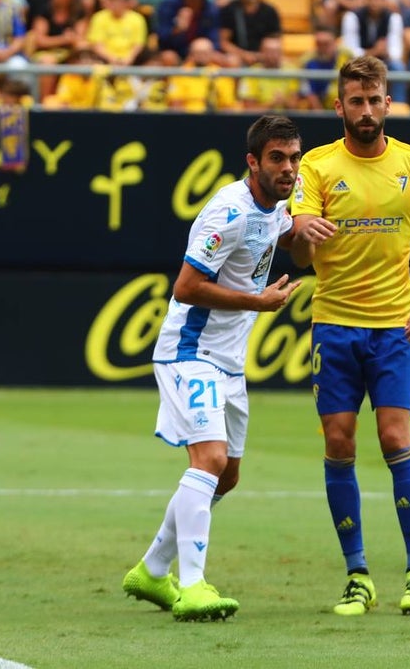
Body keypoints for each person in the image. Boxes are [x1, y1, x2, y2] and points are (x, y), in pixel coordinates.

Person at [121, 115, 306, 622]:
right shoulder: (226, 212)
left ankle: (153, 570)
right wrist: (256, 301)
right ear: (252, 162)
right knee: (208, 462)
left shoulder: (286, 194)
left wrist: (299, 227)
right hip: (189, 351)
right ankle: (194, 584)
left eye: (294, 157)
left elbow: (282, 230)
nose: (288, 168)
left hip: (229, 361)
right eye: (277, 158)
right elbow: (184, 287)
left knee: (227, 477)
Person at [289, 55, 410, 616]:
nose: (365, 109)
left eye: (373, 98)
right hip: (334, 321)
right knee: (338, 441)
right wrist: (300, 232)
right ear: (339, 107)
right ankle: (357, 573)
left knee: (394, 437)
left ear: (387, 102)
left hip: (395, 323)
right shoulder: (315, 165)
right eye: (354, 100)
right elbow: (301, 250)